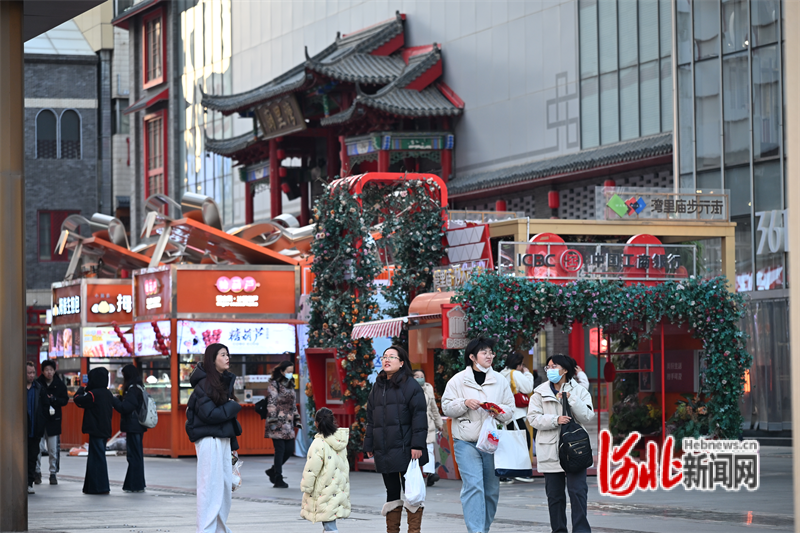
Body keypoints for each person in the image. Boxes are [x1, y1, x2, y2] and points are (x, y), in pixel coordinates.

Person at [441, 338, 514, 533]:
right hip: (466, 441)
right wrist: (464, 403)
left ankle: (484, 527)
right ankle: (476, 531)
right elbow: (446, 406)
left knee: (491, 490)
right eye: (484, 353)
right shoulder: (457, 380)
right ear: (472, 357)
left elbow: (510, 409)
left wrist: (498, 410)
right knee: (473, 486)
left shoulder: (500, 380)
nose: (489, 356)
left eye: (491, 352)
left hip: (491, 442)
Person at [363, 345, 429, 533]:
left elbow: (419, 417)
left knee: (412, 494)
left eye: (392, 357)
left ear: (401, 363)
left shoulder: (411, 386)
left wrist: (417, 445)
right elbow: (371, 418)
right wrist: (369, 443)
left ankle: (413, 531)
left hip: (407, 448)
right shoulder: (378, 386)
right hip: (385, 448)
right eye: (384, 356)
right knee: (391, 492)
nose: (387, 359)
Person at [528, 354, 596, 533]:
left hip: (575, 449)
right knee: (555, 496)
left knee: (578, 493)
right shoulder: (539, 392)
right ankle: (558, 530)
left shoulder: (579, 390)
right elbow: (533, 419)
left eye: (554, 366)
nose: (550, 370)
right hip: (550, 449)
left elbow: (588, 416)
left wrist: (571, 399)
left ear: (565, 370)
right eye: (548, 367)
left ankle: (581, 530)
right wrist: (555, 419)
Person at [185, 343, 242, 533]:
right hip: (209, 440)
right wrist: (233, 406)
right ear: (212, 359)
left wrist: (233, 446)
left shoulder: (220, 382)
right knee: (210, 487)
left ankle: (218, 529)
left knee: (224, 488)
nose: (227, 358)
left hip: (222, 440)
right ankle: (206, 530)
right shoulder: (205, 384)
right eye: (223, 355)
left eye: (228, 355)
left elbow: (222, 417)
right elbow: (210, 415)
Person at [300, 408, 351, 533]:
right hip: (338, 487)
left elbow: (312, 469)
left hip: (324, 488)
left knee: (329, 524)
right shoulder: (340, 442)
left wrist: (306, 487)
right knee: (328, 519)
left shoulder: (318, 443)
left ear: (316, 423)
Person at [73, 366, 114, 495]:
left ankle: (98, 487)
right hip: (105, 428)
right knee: (98, 456)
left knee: (96, 458)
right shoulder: (108, 393)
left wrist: (80, 390)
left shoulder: (92, 394)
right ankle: (94, 486)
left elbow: (78, 400)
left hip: (95, 429)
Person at [499, 352, 535, 484]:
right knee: (523, 442)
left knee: (509, 443)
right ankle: (520, 471)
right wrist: (527, 373)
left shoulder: (502, 374)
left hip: (505, 414)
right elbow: (528, 387)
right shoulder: (515, 373)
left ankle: (506, 473)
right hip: (515, 414)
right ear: (518, 364)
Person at [110, 364, 147, 492]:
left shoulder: (133, 389)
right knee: (136, 455)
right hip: (138, 426)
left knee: (133, 456)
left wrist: (114, 401)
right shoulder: (139, 387)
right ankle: (135, 484)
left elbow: (125, 407)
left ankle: (134, 485)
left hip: (133, 426)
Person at [265, 359, 301, 488]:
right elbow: (272, 403)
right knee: (280, 450)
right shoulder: (274, 384)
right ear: (282, 371)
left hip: (288, 422)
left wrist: (297, 419)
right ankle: (278, 477)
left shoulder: (291, 384)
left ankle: (273, 470)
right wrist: (273, 421)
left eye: (292, 372)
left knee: (289, 449)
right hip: (276, 421)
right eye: (288, 371)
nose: (290, 374)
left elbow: (293, 404)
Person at [35, 359, 68, 485]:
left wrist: (54, 400)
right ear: (42, 371)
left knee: (53, 449)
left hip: (54, 420)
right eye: (46, 370)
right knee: (38, 448)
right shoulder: (38, 384)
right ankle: (37, 472)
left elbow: (64, 400)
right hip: (40, 420)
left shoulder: (59, 384)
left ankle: (53, 473)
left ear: (54, 371)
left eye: (51, 370)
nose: (49, 372)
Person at [412, 369, 443, 487]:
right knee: (415, 450)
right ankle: (415, 475)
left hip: (428, 423)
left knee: (429, 448)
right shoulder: (408, 389)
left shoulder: (428, 388)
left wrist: (439, 423)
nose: (420, 378)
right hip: (414, 425)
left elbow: (434, 408)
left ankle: (430, 473)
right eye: (417, 376)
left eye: (422, 376)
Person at [26, 361, 50, 494]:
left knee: (32, 458)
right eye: (29, 372)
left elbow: (45, 407)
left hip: (35, 430)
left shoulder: (39, 388)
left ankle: (29, 483)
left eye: (33, 372)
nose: (31, 375)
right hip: (21, 431)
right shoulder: (18, 388)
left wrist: (42, 423)